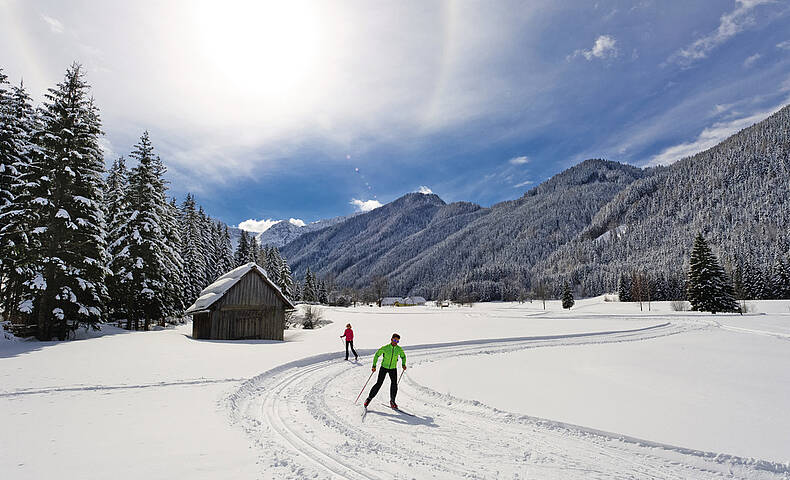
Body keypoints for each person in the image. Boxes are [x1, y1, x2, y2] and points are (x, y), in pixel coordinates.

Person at [364, 333, 406, 409]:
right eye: (394, 340)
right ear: (391, 339)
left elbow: (403, 356)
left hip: (393, 369)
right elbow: (377, 355)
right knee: (379, 383)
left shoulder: (399, 349)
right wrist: (374, 365)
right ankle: (369, 398)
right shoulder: (385, 348)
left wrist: (403, 364)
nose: (395, 342)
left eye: (397, 341)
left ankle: (392, 401)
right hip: (384, 368)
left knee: (394, 384)